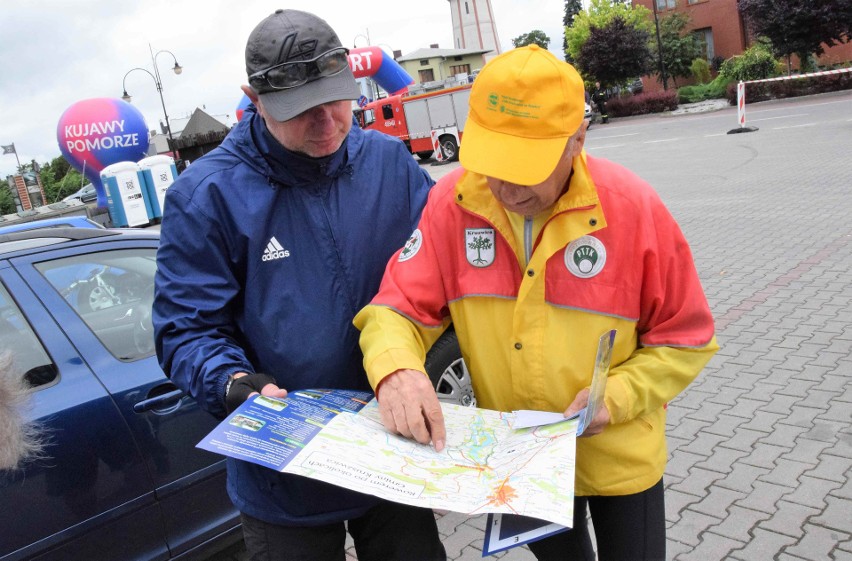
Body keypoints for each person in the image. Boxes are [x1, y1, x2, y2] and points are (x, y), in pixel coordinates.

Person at [354, 45, 719, 561]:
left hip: (620, 457)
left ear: (577, 139)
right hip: (523, 460)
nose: (504, 186)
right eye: (492, 160)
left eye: (525, 166)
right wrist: (395, 369)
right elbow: (395, 308)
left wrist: (615, 398)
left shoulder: (635, 211)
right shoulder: (453, 203)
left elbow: (686, 339)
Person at [152, 9, 445, 561]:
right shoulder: (206, 197)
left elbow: (437, 272)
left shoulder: (387, 161)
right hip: (284, 477)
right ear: (254, 99)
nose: (328, 123)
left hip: (392, 451)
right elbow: (186, 330)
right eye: (302, 111)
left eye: (336, 100)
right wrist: (231, 382)